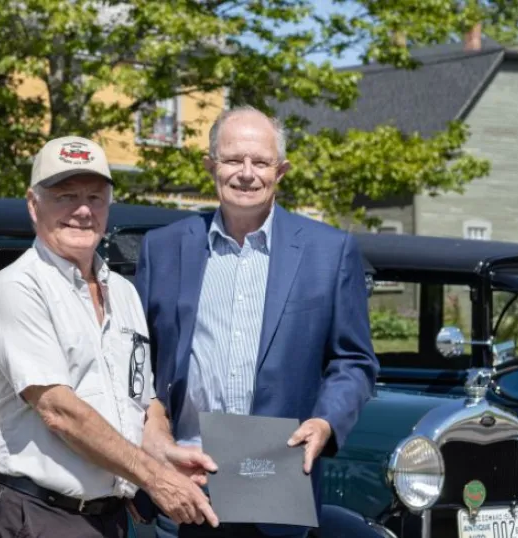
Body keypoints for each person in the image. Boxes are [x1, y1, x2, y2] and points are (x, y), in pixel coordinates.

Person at [133, 106, 380, 538]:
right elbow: (136, 360)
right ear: (211, 166)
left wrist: (325, 422)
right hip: (185, 482)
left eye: (260, 162)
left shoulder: (329, 252)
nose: (246, 173)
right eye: (232, 160)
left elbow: (353, 361)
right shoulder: (164, 248)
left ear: (280, 171)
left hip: (276, 483)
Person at [0, 136, 219, 538]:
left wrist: (163, 449)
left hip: (106, 518)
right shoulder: (17, 287)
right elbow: (60, 411)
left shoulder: (122, 292)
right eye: (65, 196)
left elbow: (144, 400)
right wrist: (155, 478)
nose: (83, 210)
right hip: (35, 514)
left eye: (95, 196)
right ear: (33, 205)